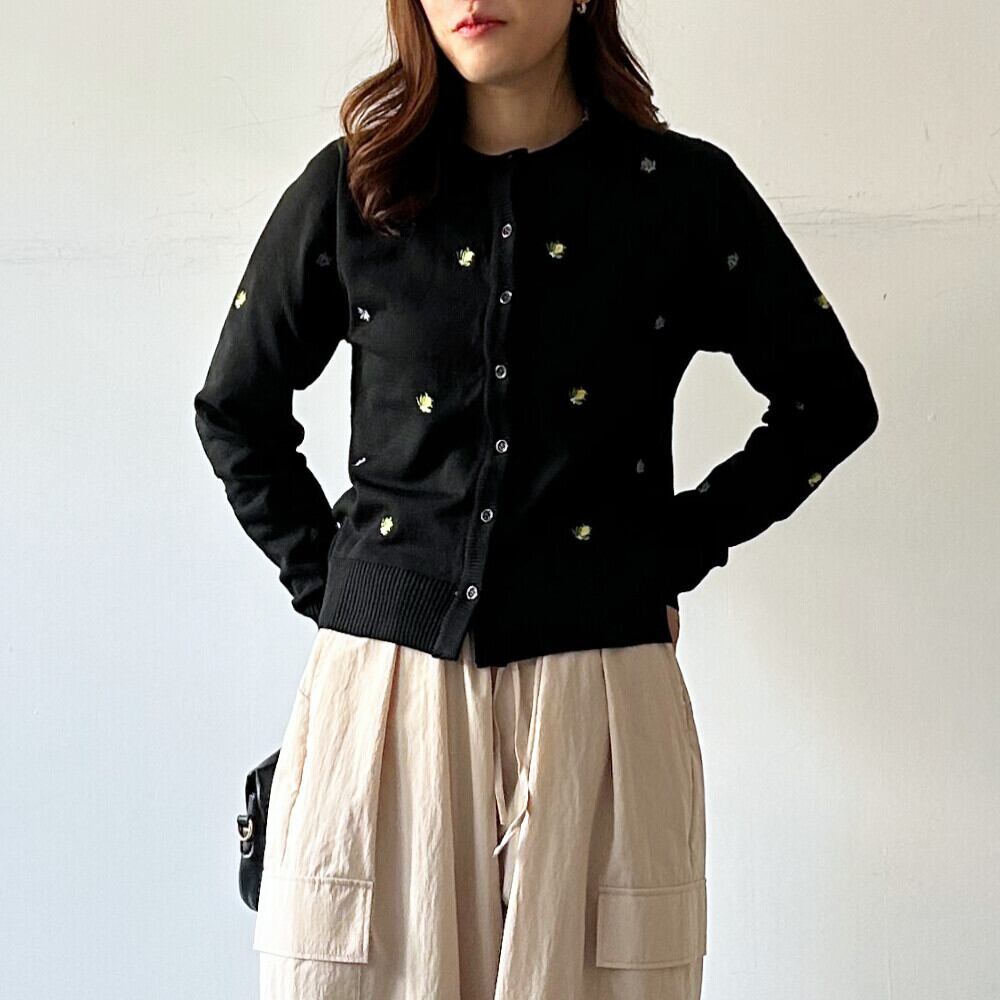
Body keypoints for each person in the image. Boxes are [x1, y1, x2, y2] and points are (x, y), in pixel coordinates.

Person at [192, 1, 880, 997]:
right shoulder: (355, 190)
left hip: (603, 701)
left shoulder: (680, 194)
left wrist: (672, 551)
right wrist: (346, 591)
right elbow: (235, 411)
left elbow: (829, 402)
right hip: (383, 703)